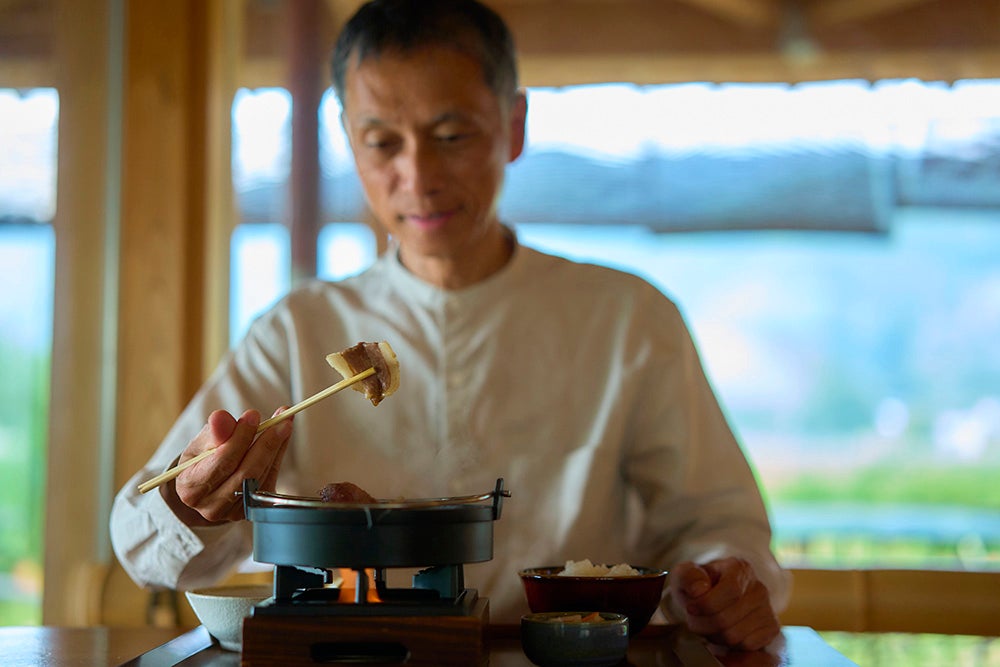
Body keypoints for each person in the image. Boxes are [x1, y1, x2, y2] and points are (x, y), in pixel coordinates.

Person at [110, 0, 790, 650]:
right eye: (382, 141)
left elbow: (717, 524)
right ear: (349, 139)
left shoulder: (628, 319)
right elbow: (140, 543)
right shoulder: (296, 330)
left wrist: (720, 582)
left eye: (451, 135)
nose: (418, 176)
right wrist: (192, 502)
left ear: (514, 126)